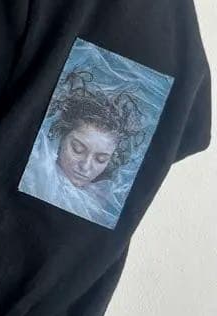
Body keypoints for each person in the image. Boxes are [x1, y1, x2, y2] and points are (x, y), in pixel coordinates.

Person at [18, 65, 148, 228]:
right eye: (77, 149)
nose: (85, 167)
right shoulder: (34, 169)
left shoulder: (99, 201)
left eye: (101, 159)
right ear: (61, 137)